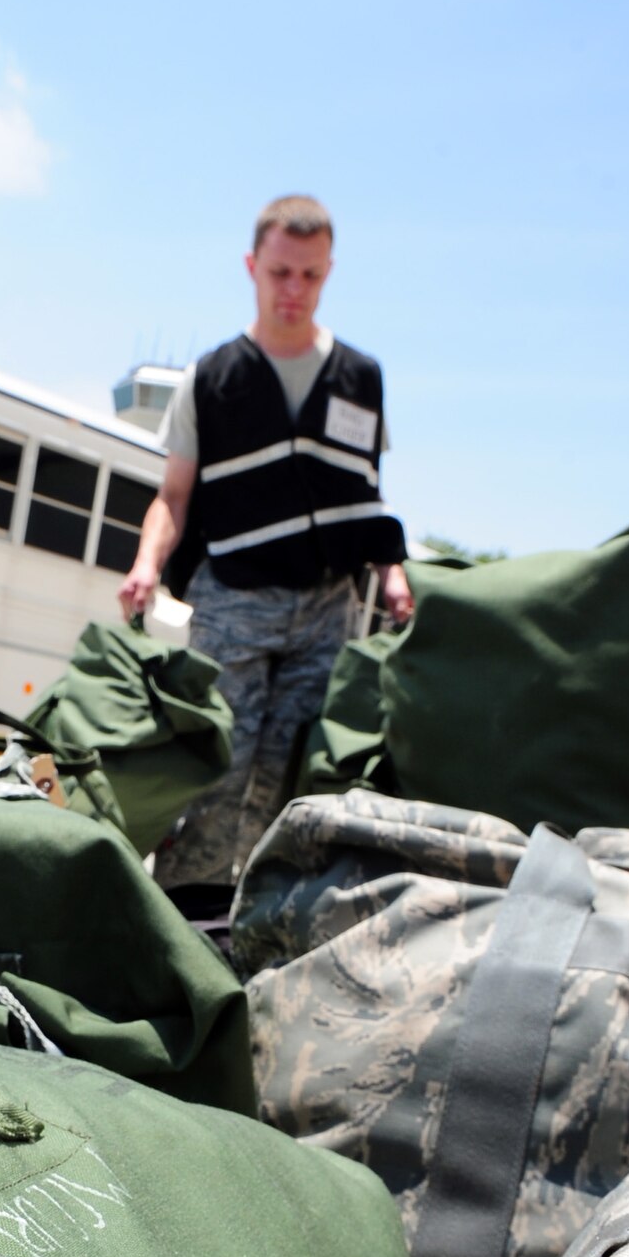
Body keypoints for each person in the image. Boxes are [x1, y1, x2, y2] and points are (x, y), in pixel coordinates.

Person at [119, 195, 412, 885]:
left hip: (326, 606)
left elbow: (367, 496)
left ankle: (261, 921)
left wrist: (392, 574)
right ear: (253, 266)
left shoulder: (361, 379)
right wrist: (145, 563)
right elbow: (174, 496)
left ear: (328, 273)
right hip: (235, 599)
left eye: (309, 276)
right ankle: (186, 913)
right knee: (221, 764)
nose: (293, 290)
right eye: (280, 272)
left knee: (296, 775)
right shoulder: (212, 378)